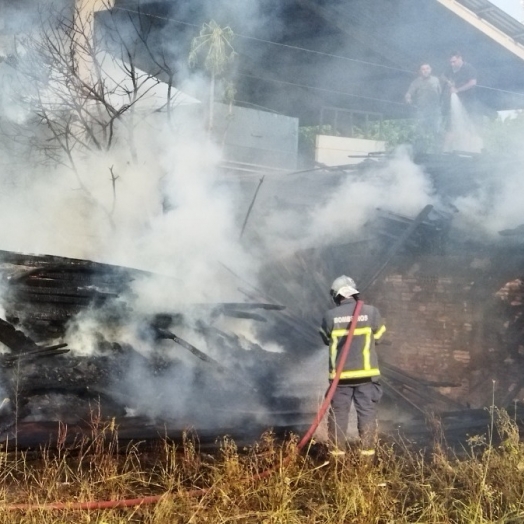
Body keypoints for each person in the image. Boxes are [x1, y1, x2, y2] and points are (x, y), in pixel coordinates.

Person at [319, 275, 386, 460]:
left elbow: (325, 340)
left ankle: (337, 458)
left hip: (340, 379)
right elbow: (379, 337)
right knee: (366, 413)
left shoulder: (329, 316)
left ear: (336, 295)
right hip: (366, 376)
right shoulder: (372, 312)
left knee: (338, 416)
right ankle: (367, 458)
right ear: (354, 293)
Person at [405, 63, 442, 137]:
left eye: (427, 68)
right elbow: (409, 93)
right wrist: (408, 99)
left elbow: (441, 93)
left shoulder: (436, 80)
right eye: (423, 69)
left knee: (436, 131)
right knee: (421, 131)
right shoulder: (416, 82)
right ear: (420, 71)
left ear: (430, 70)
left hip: (435, 110)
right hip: (422, 111)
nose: (425, 71)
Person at [441, 51, 477, 119]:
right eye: (451, 62)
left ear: (460, 58)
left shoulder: (468, 68)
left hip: (468, 100)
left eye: (454, 61)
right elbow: (443, 76)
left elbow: (472, 83)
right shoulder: (450, 68)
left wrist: (457, 90)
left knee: (468, 118)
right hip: (455, 98)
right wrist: (448, 81)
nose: (452, 64)